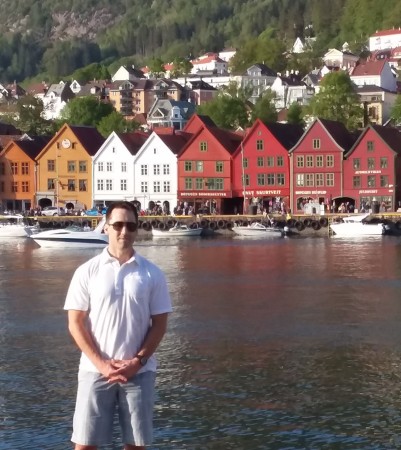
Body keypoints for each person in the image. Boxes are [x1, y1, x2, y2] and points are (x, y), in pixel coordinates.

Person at [64, 201, 172, 450]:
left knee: (136, 446)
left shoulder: (152, 274)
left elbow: (160, 325)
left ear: (137, 229)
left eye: (131, 226)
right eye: (118, 225)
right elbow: (75, 323)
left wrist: (138, 361)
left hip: (139, 373)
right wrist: (101, 364)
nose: (124, 231)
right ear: (106, 227)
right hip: (93, 371)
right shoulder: (87, 271)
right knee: (85, 445)